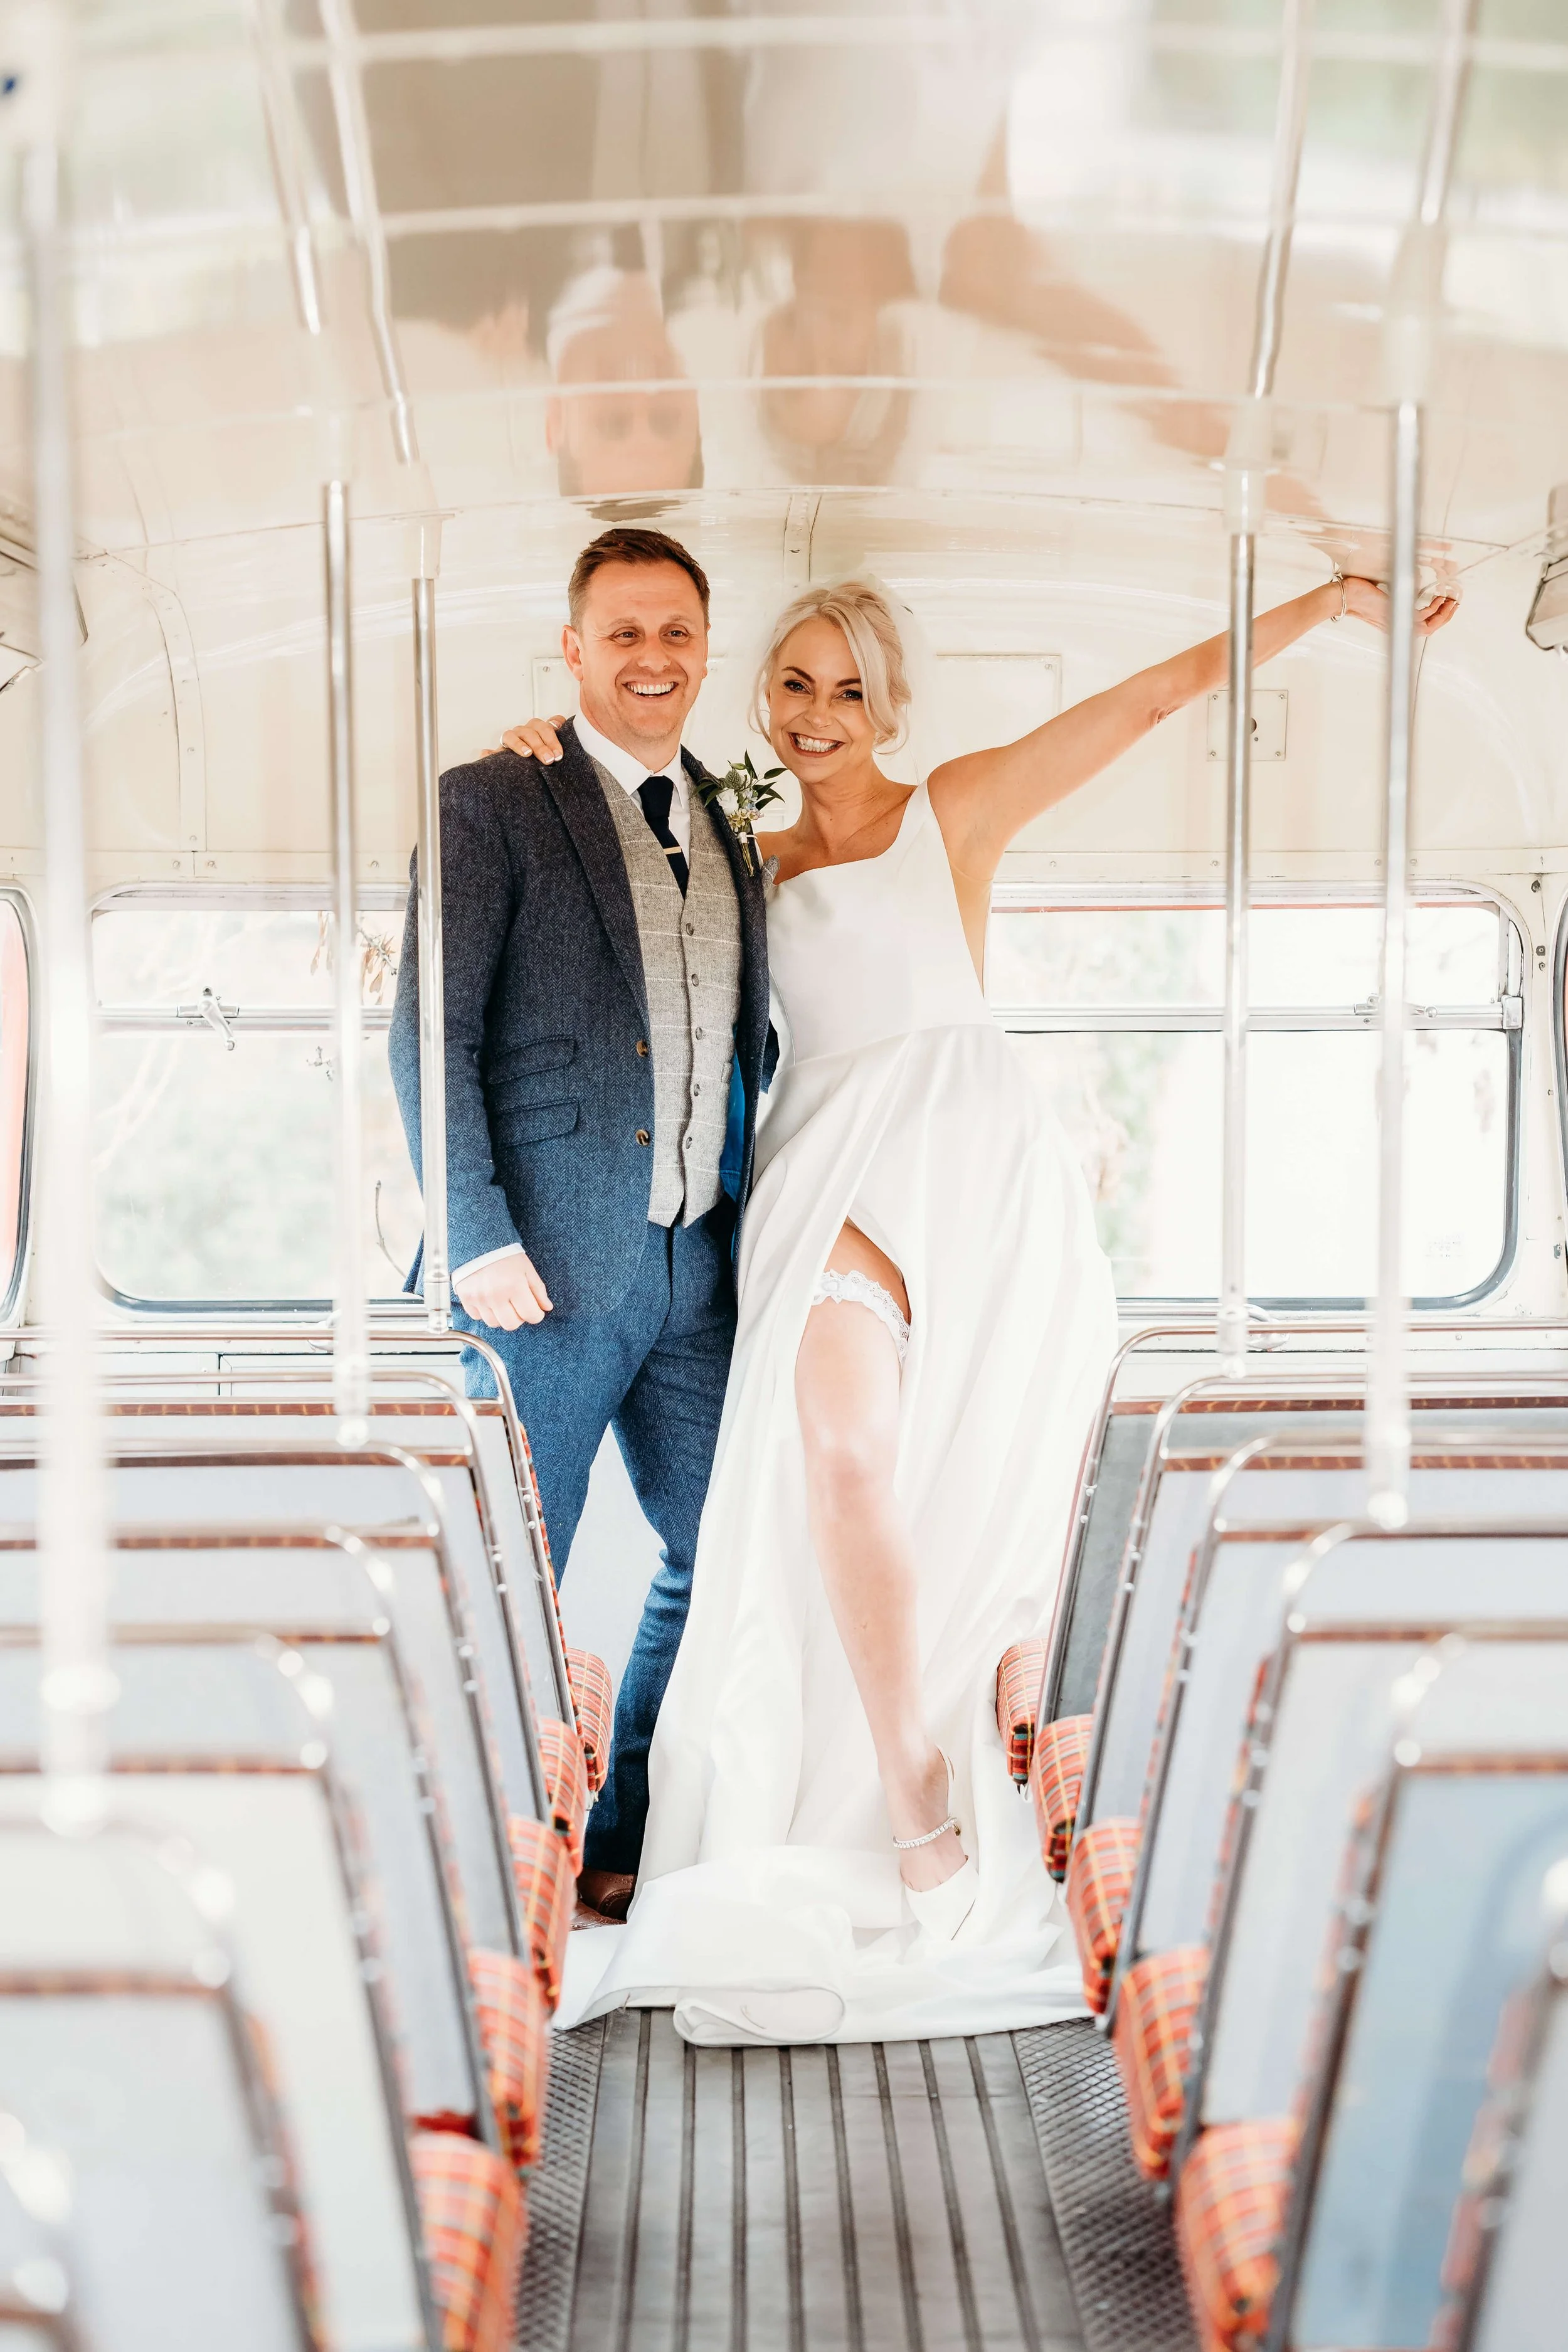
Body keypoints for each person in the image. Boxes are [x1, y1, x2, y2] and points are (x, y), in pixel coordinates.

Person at [498, 566, 1459, 2042]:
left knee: (970, 1494)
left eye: (848, 690)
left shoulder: (953, 808)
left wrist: (1323, 602)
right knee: (837, 1459)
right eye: (795, 685)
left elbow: (1149, 700)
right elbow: (600, 890)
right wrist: (540, 753)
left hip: (971, 1162)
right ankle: (910, 1787)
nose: (818, 716)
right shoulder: (738, 853)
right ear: (764, 698)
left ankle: (965, 1765)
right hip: (821, 1169)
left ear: (890, 706)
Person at [388, 525, 771, 1922]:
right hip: (531, 1270)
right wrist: (476, 1232)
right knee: (509, 1574)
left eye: (674, 632)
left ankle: (619, 1830)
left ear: (703, 647)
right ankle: (486, 1879)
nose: (651, 658)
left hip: (693, 1261)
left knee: (725, 1538)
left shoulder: (729, 816)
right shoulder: (492, 798)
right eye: (622, 633)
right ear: (572, 648)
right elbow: (427, 1035)